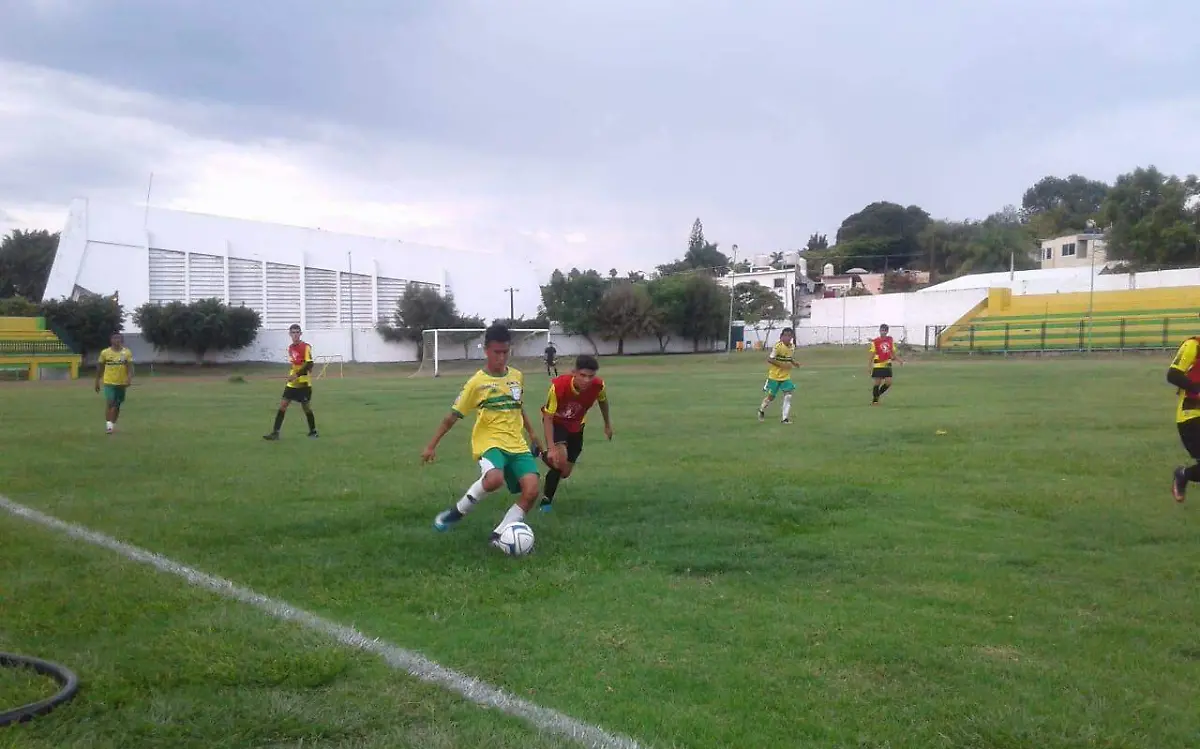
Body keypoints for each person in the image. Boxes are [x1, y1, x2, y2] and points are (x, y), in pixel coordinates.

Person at [423, 324, 546, 548]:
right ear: (486, 350)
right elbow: (452, 416)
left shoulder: (517, 376)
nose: (501, 357)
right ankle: (457, 513)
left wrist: (533, 434)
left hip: (516, 443)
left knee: (532, 490)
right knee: (494, 479)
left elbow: (518, 407)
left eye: (505, 352)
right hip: (489, 442)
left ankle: (498, 535)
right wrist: (431, 446)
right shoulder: (476, 383)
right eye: (496, 352)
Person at [538, 354, 613, 512]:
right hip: (557, 424)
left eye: (590, 376)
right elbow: (548, 418)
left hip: (577, 426)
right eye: (582, 375)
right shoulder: (558, 386)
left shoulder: (598, 386)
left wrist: (607, 424)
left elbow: (603, 402)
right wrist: (552, 447)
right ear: (574, 372)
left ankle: (539, 453)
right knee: (560, 460)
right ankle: (546, 502)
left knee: (564, 472)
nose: (586, 380)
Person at [263, 324, 319, 440]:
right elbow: (295, 364)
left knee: (306, 407)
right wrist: (292, 375)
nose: (295, 335)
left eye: (297, 332)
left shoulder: (306, 347)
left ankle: (313, 431)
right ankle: (275, 433)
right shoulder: (290, 348)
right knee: (283, 405)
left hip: (303, 383)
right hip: (292, 384)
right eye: (293, 332)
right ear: (290, 334)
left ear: (300, 334)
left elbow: (309, 363)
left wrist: (296, 375)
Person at [1168, 324, 1200, 502]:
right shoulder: (1193, 345)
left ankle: (1183, 474)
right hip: (1191, 414)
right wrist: (1197, 389)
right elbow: (1173, 374)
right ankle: (1182, 474)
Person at [95, 332, 134, 434]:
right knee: (110, 402)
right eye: (114, 338)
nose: (117, 340)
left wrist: (129, 378)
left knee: (117, 405)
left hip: (121, 383)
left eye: (119, 338)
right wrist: (97, 381)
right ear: (111, 340)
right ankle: (109, 426)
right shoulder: (105, 353)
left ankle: (113, 423)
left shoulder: (127, 353)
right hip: (109, 382)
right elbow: (100, 367)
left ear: (122, 340)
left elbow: (130, 367)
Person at [758, 327, 797, 424]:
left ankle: (784, 419)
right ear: (781, 337)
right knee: (771, 397)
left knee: (788, 396)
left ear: (792, 337)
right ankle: (761, 410)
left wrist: (794, 363)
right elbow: (770, 359)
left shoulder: (792, 347)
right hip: (774, 376)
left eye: (789, 336)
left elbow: (789, 357)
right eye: (785, 336)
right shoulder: (778, 346)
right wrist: (782, 365)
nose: (787, 338)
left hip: (785, 376)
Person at [869, 324, 902, 405]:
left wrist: (898, 360)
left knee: (888, 382)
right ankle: (875, 400)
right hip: (878, 364)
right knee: (877, 383)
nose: (882, 332)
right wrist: (869, 365)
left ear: (887, 331)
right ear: (879, 331)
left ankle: (877, 394)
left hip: (887, 363)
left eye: (884, 330)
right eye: (881, 330)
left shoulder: (890, 340)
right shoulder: (875, 341)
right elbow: (872, 354)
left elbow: (892, 352)